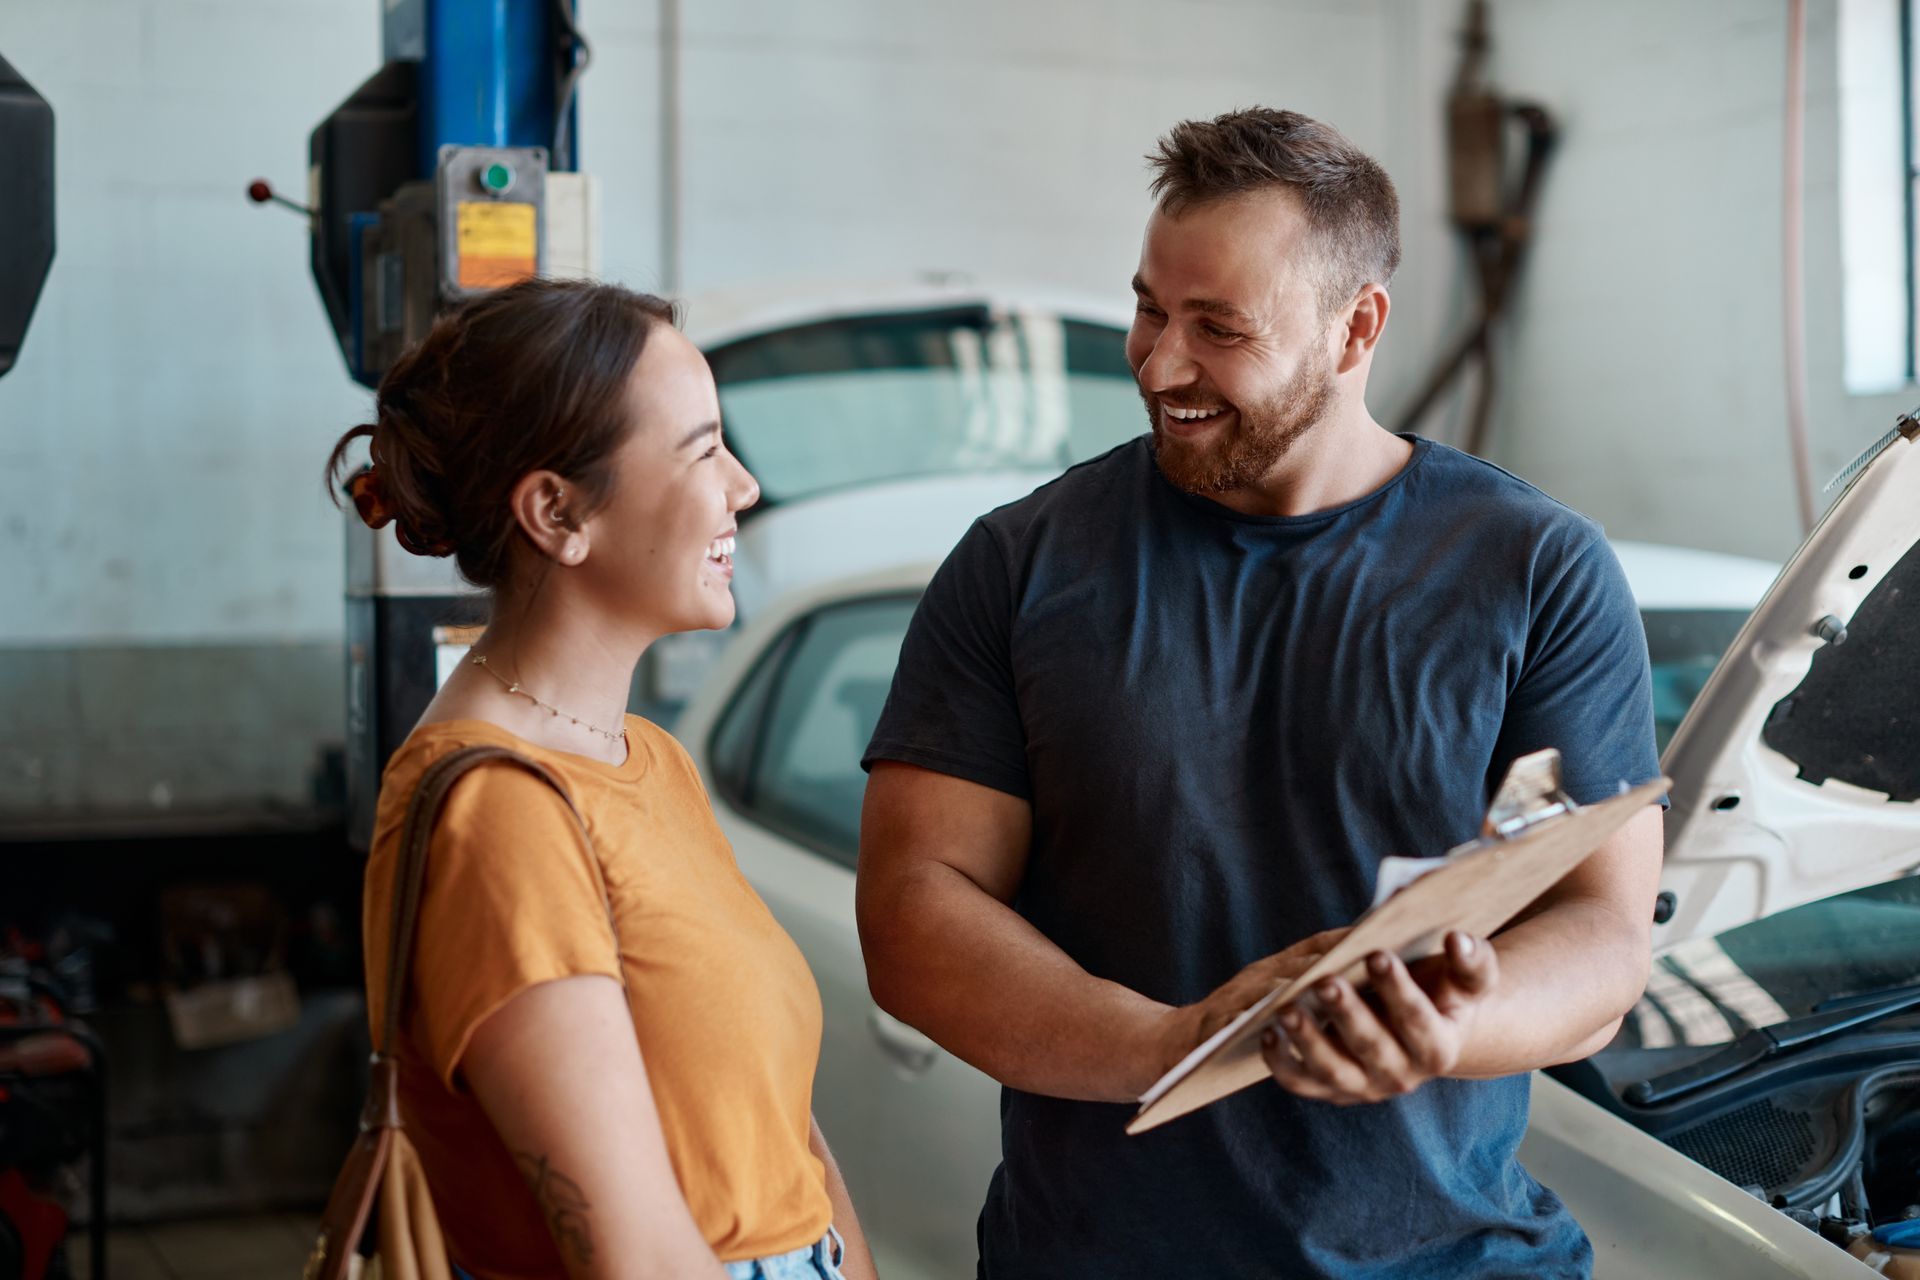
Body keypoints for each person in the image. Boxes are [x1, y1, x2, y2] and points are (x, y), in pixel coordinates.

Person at [856, 108, 1664, 1278]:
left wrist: (1444, 1030)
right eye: (1149, 307)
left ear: (1356, 328)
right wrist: (1181, 1044)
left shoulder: (1536, 567)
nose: (1158, 362)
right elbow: (916, 915)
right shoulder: (1021, 563)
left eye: (1217, 328)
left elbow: (1601, 933)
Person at [325, 279, 877, 1280]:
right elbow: (636, 1254)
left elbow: (776, 1127)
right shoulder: (499, 811)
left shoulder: (646, 758)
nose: (743, 487)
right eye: (703, 448)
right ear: (556, 511)